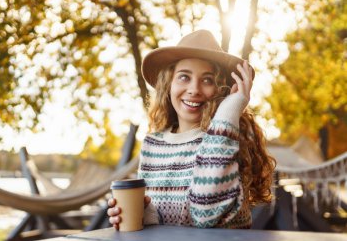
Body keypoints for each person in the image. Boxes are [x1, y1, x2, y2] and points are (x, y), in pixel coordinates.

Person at [107, 29, 276, 229]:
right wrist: (144, 215)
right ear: (168, 84)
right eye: (184, 77)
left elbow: (205, 214)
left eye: (207, 80)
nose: (194, 89)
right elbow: (166, 220)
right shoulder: (152, 145)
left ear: (220, 88)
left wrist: (229, 111)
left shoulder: (226, 138)